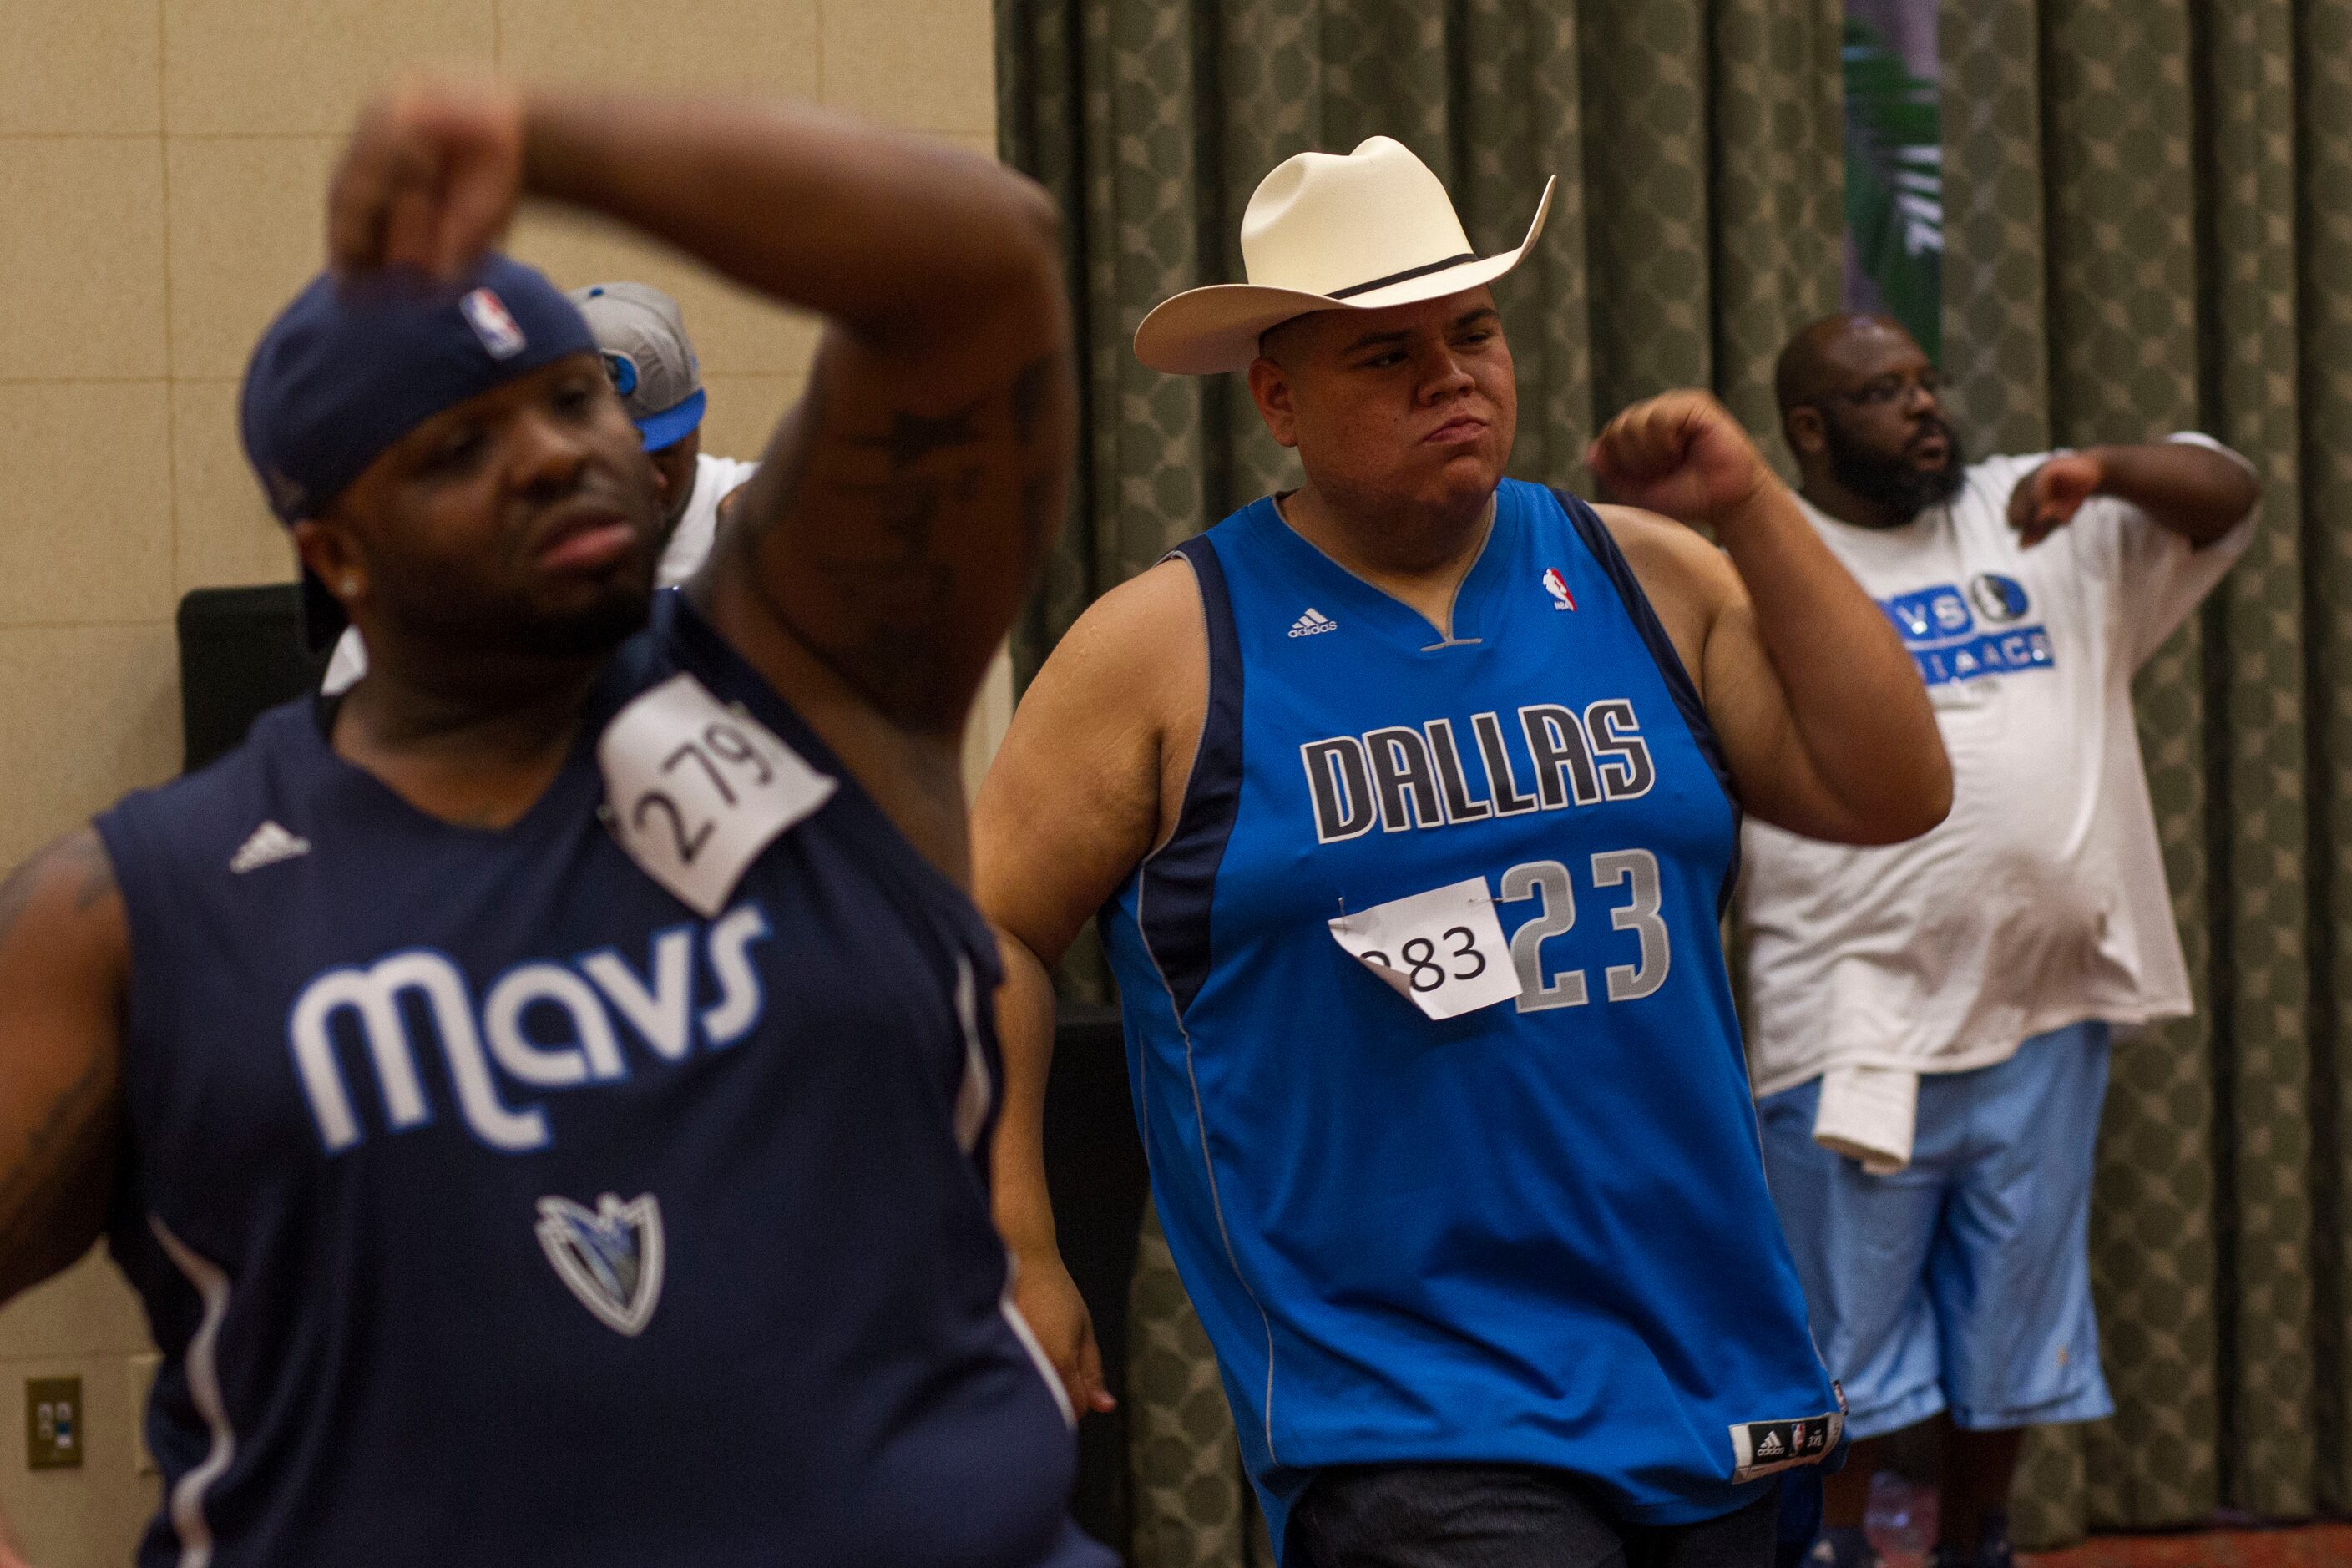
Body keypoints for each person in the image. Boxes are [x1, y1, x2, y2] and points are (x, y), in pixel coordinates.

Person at [0, 76, 1108, 1566]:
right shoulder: (145, 909)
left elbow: (973, 263)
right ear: (336, 552)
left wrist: (545, 143)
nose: (546, 451)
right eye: (456, 448)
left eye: (570, 397)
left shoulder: (828, 692)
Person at [973, 135, 1954, 1567]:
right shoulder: (1165, 645)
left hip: (1709, 1357)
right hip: (1401, 1406)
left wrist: (1749, 507)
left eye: (1473, 332)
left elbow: (1893, 787)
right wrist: (1019, 1238)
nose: (1452, 376)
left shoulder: (1643, 567)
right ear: (1278, 398)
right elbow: (982, 930)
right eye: (1385, 355)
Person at [1741, 314, 2261, 1568]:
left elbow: (2226, 493)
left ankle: (1981, 1539)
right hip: (1851, 1019)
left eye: (1927, 381)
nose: (1923, 407)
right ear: (1808, 429)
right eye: (1881, 391)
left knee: (2011, 1334)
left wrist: (2105, 465)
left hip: (2043, 1006)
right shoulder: (1765, 565)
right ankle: (1839, 1547)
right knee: (1842, 1343)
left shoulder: (2029, 515)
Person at [320, 277, 751, 695]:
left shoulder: (765, 517)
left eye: (661, 454)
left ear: (695, 428)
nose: (636, 484)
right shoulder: (465, 578)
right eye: (597, 461)